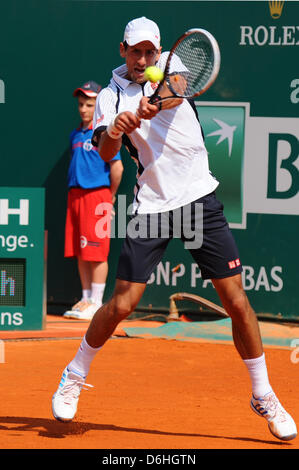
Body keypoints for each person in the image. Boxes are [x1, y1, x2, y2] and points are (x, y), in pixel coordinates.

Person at [52, 18, 297, 441]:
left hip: (200, 199)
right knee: (123, 303)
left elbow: (177, 89)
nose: (142, 59)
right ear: (122, 50)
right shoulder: (110, 95)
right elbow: (106, 147)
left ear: (159, 51)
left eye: (149, 52)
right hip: (153, 206)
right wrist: (116, 127)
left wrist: (149, 104)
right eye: (135, 52)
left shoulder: (172, 63)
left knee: (237, 302)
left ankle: (263, 393)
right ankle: (74, 373)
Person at [63, 80, 123, 320]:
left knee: (97, 252)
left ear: (98, 106)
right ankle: (86, 299)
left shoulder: (104, 134)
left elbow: (116, 168)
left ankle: (97, 303)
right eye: (81, 104)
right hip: (75, 195)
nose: (84, 109)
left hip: (98, 196)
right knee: (81, 250)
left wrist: (110, 198)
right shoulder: (75, 134)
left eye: (89, 104)